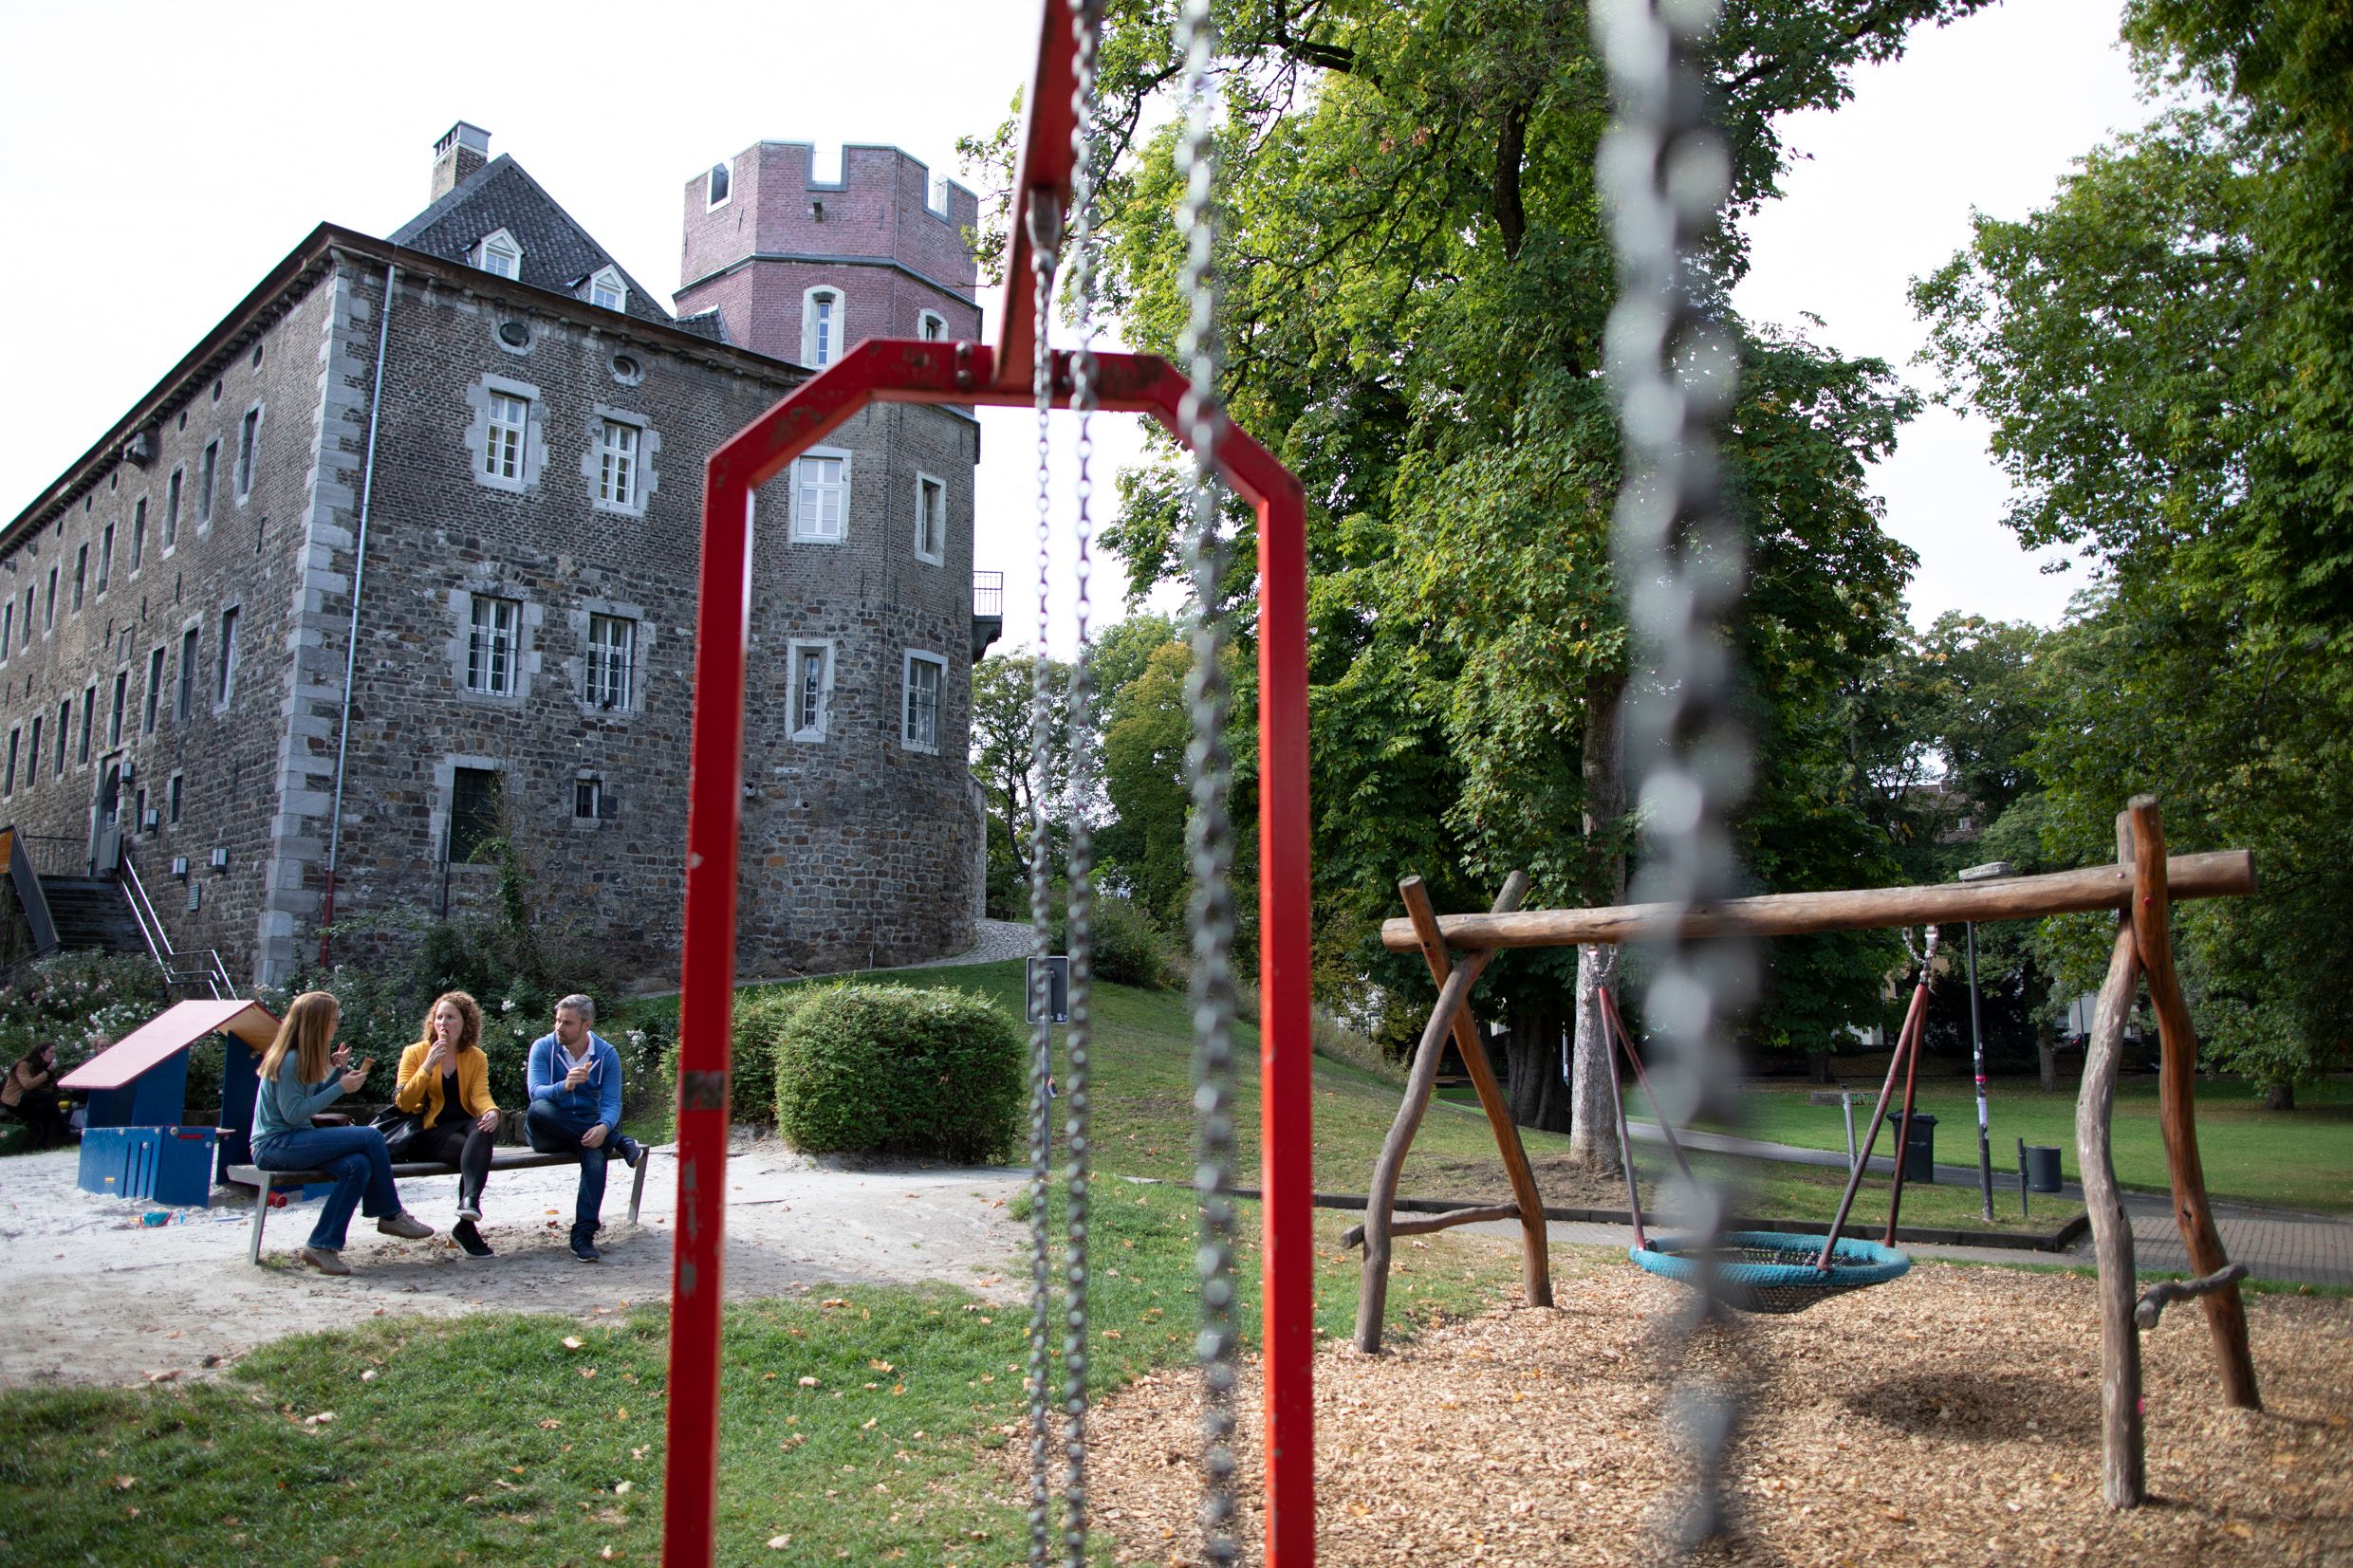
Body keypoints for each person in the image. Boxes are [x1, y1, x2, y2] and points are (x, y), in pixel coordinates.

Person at [250, 990, 434, 1275]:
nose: (336, 1025)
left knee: (357, 1166)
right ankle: (390, 1214)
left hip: (292, 1140)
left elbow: (305, 1102)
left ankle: (322, 1245)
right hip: (275, 1145)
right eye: (333, 1019)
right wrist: (341, 1087)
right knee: (371, 1136)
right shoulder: (290, 1060)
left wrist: (337, 1073)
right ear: (317, 1022)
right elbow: (294, 1113)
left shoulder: (302, 1058)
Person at [526, 994, 643, 1263]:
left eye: (567, 1023)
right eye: (557, 1020)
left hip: (587, 1130)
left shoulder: (606, 1054)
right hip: (547, 1130)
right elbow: (536, 1093)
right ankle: (618, 1140)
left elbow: (613, 1101)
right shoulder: (543, 1048)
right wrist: (564, 1086)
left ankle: (583, 1236)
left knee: (594, 1156)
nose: (559, 1027)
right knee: (538, 1110)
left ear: (585, 1025)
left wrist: (602, 1126)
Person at [394, 991, 501, 1259]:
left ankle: (469, 1205)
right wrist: (428, 1066)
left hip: (462, 1127)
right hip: (426, 1133)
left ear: (465, 1023)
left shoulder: (476, 1056)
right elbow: (403, 1102)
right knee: (474, 1150)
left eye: (451, 1017)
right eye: (439, 1017)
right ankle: (467, 1226)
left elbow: (479, 1094)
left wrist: (491, 1111)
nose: (443, 1023)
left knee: (483, 1129)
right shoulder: (415, 1053)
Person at [0, 1041, 71, 1149]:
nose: (53, 1055)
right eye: (51, 1052)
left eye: (54, 1052)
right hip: (14, 1101)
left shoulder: (42, 1066)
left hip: (30, 1099)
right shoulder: (23, 1065)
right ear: (41, 1053)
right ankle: (65, 1128)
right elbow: (28, 1085)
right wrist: (47, 1072)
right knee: (46, 1097)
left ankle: (42, 1143)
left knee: (42, 1107)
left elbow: (46, 1089)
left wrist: (50, 1074)